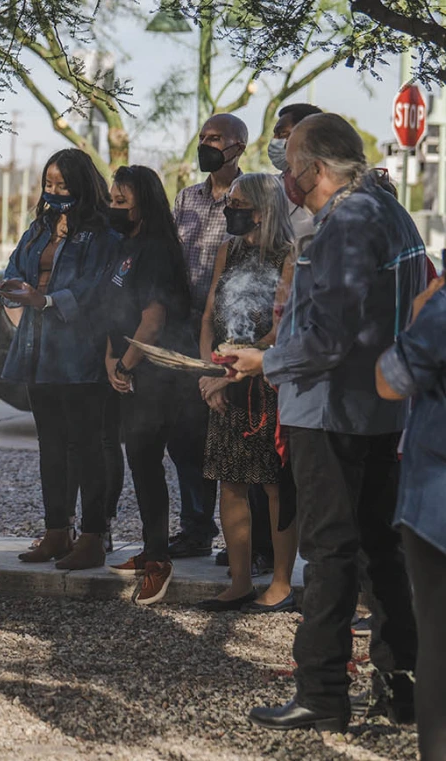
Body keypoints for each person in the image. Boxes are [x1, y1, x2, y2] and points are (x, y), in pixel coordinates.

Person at [234, 113, 423, 732]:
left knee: (332, 552)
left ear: (315, 168)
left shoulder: (347, 222)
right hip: (380, 409)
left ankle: (321, 693)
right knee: (378, 550)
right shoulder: (390, 212)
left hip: (330, 410)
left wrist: (267, 360)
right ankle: (404, 688)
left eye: (290, 165)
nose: (285, 178)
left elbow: (330, 335)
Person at [0, 148, 121, 570]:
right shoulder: (39, 229)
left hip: (79, 352)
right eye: (48, 185)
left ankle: (91, 537)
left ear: (82, 186)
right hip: (38, 348)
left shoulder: (104, 234)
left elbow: (98, 290)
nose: (53, 193)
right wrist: (11, 287)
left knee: (87, 446)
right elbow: (15, 266)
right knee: (50, 445)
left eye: (62, 186)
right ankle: (55, 531)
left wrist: (46, 298)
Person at [194, 173, 298, 613]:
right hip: (223, 386)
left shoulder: (290, 257)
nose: (228, 210)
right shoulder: (227, 251)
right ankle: (238, 582)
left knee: (274, 485)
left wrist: (231, 373)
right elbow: (207, 318)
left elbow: (280, 331)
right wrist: (207, 372)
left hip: (266, 386)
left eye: (237, 204)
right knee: (230, 483)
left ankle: (280, 582)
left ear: (262, 210)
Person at [102, 165, 201, 605]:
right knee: (140, 464)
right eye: (112, 200)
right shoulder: (125, 246)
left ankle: (160, 562)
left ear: (144, 202)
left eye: (122, 201)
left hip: (159, 375)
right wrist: (111, 358)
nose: (113, 207)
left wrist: (124, 364)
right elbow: (116, 308)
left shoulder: (158, 249)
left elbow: (154, 320)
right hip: (129, 368)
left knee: (150, 461)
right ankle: (150, 549)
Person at [168, 113, 249, 559]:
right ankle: (197, 527)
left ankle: (247, 539)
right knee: (186, 436)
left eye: (214, 138)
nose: (206, 144)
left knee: (236, 437)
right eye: (202, 137)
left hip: (235, 333)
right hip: (189, 331)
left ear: (238, 145)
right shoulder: (186, 199)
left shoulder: (251, 195)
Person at [376, 274, 446, 758]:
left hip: (437, 503)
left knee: (438, 646)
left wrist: (418, 313)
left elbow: (389, 382)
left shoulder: (440, 313)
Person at [268, 103, 323, 239]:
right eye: (274, 134)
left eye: (282, 133)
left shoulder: (331, 190)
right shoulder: (267, 188)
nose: (275, 141)